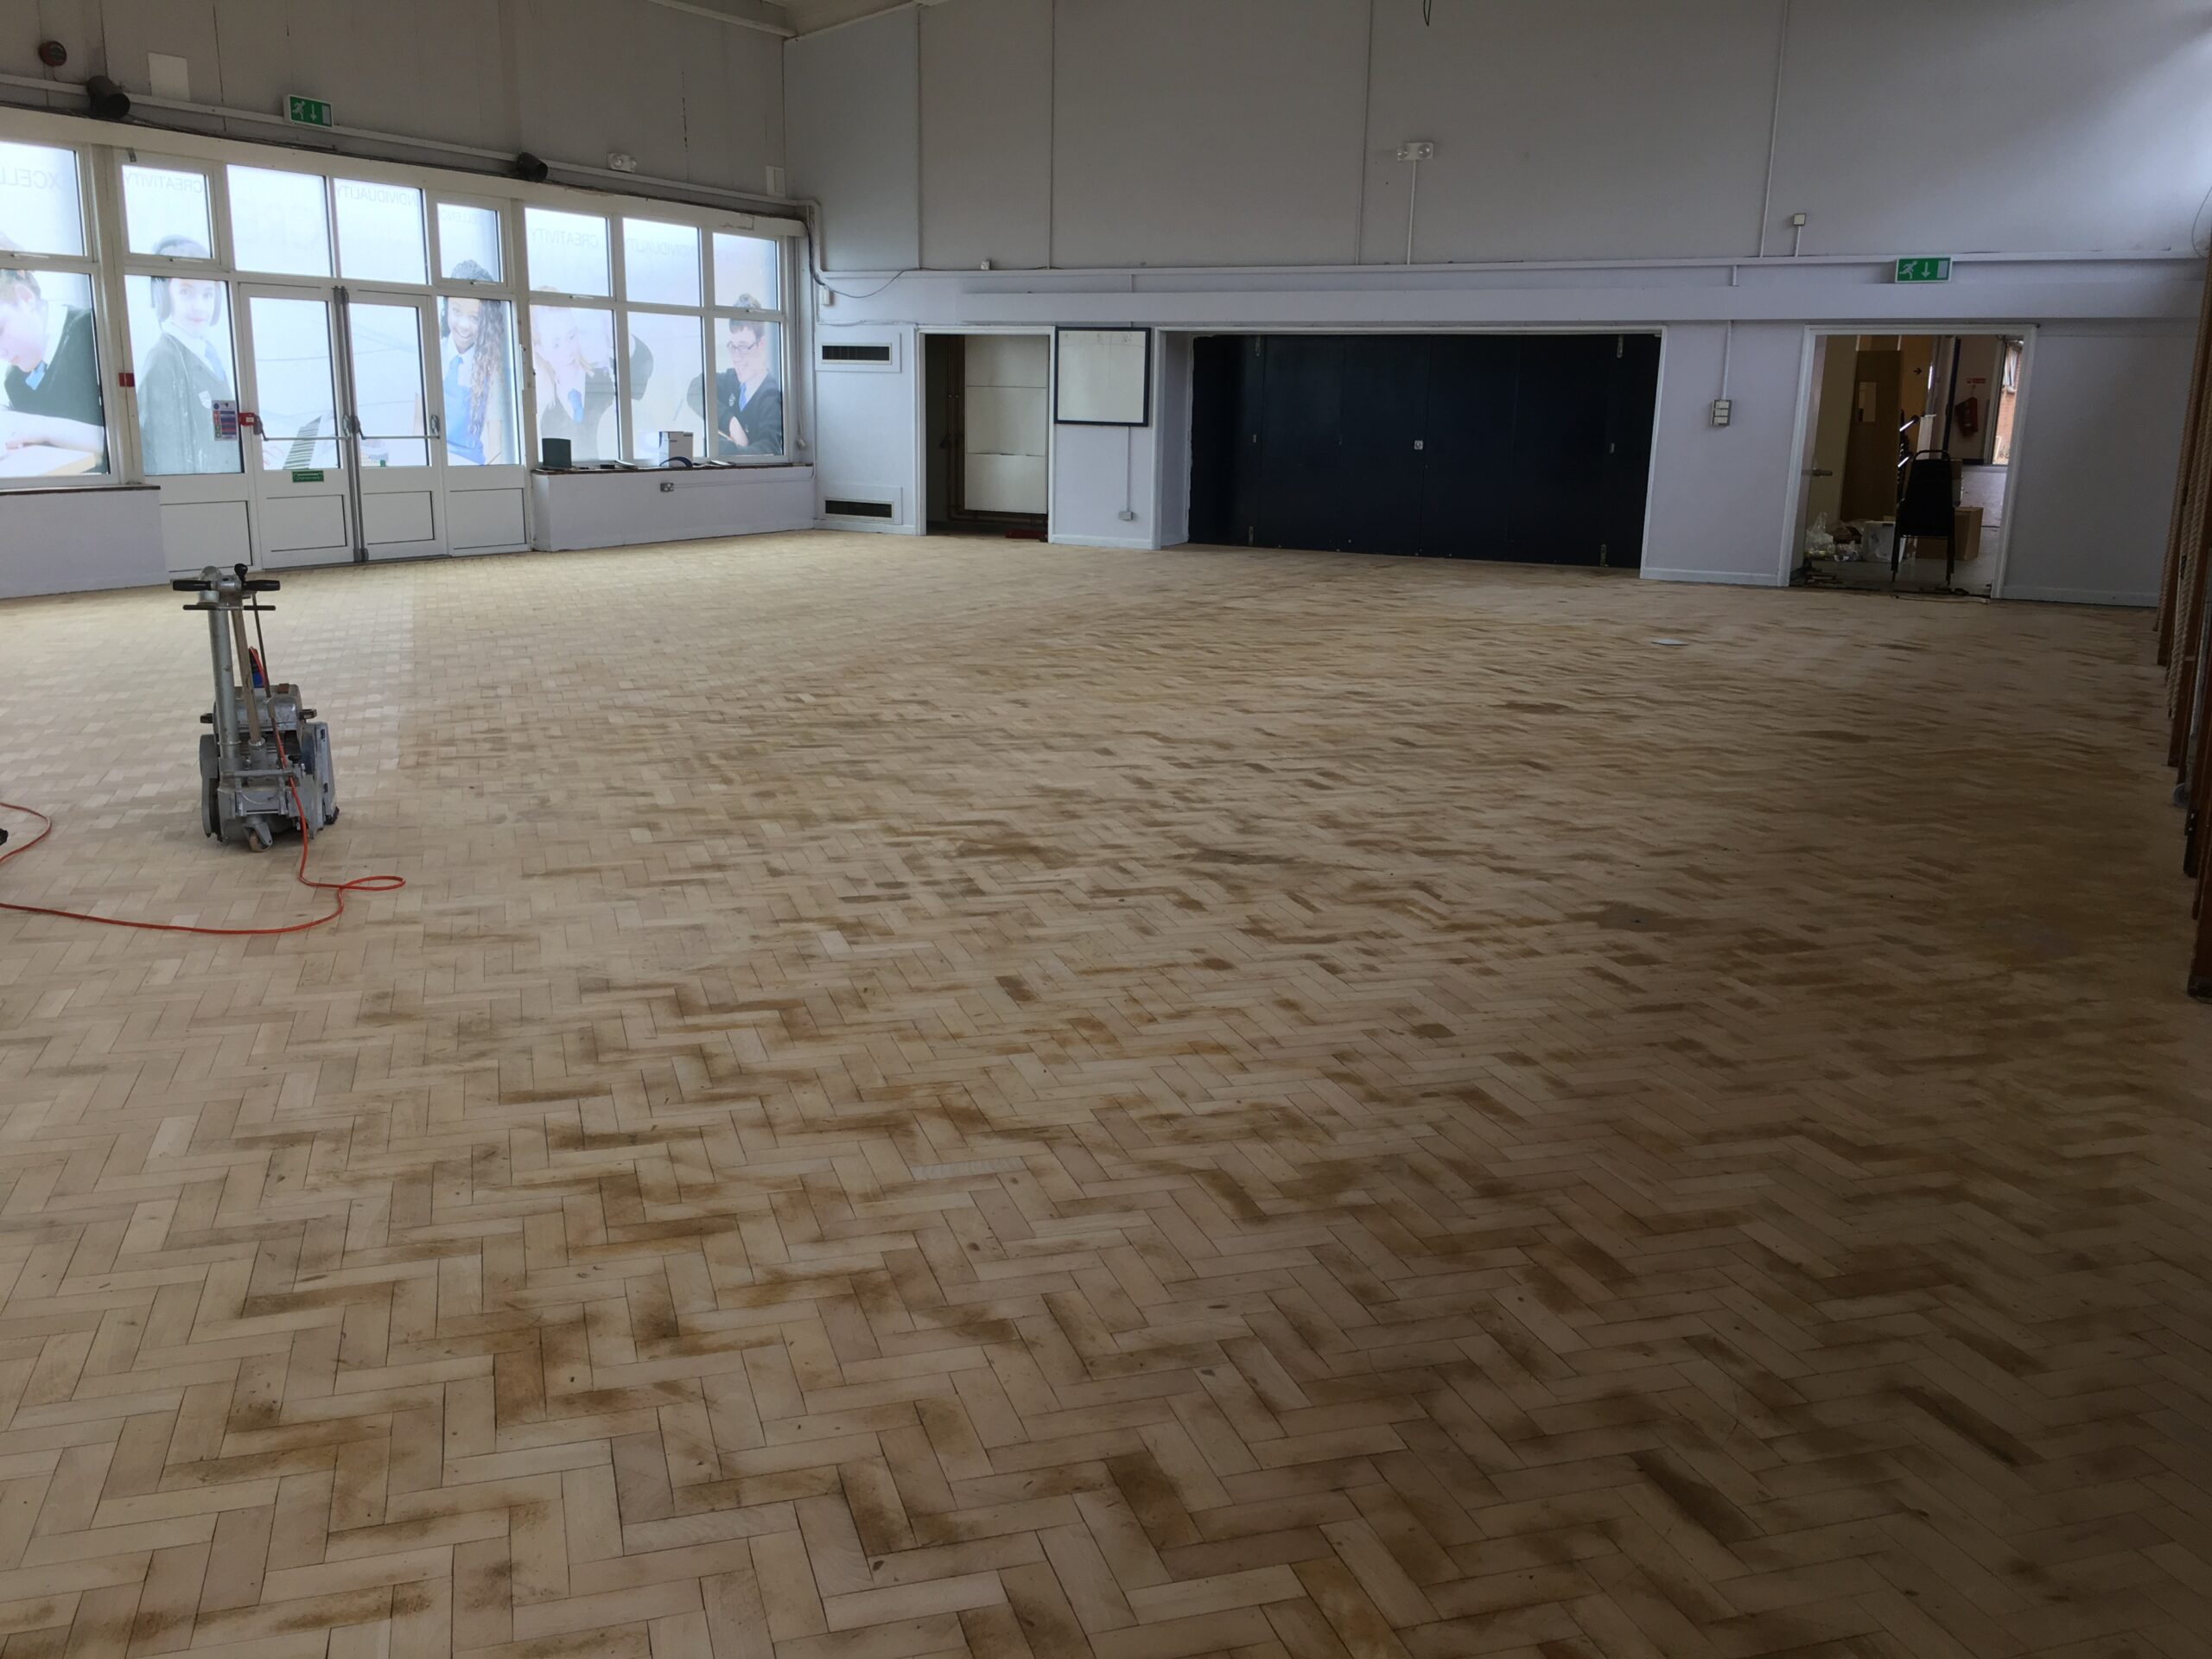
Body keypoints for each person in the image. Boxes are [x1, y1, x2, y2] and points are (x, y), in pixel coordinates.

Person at [135, 236, 242, 476]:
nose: (199, 307)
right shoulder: (162, 361)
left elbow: (222, 430)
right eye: (186, 292)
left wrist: (246, 458)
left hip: (225, 486)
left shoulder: (208, 354)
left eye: (207, 294)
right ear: (162, 296)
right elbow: (166, 460)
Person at [0, 247, 105, 468]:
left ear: (26, 299)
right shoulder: (15, 381)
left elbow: (128, 441)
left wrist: (42, 428)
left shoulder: (91, 332)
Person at [442, 263, 511, 466]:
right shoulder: (432, 355)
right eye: (457, 311)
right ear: (446, 308)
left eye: (474, 318)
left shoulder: (489, 367)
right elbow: (419, 426)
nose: (464, 325)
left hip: (472, 469)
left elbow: (495, 444)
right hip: (436, 468)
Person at [690, 314, 782, 458]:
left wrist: (731, 450)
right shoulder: (731, 380)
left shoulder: (772, 396)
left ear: (761, 345)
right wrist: (730, 422)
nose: (736, 357)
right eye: (733, 347)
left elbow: (770, 448)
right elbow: (695, 389)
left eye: (744, 347)